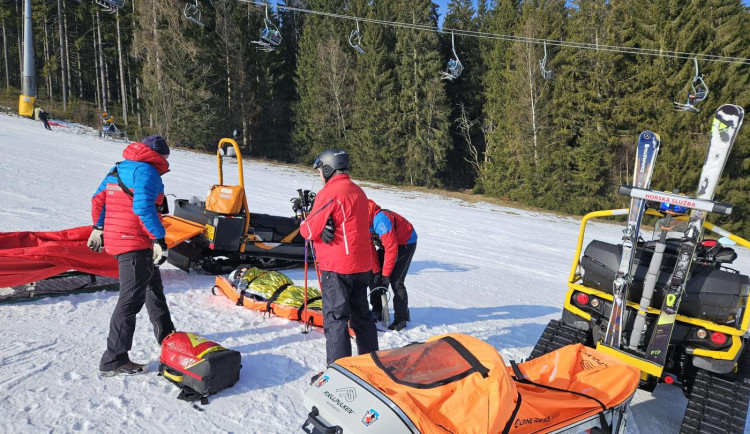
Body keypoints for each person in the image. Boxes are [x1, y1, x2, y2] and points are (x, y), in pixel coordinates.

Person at [88, 135, 175, 376]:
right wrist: (158, 239)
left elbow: (98, 199)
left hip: (120, 239)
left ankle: (167, 337)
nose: (167, 160)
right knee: (129, 302)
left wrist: (98, 227)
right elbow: (143, 208)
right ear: (159, 154)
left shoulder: (119, 167)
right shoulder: (148, 172)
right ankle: (114, 359)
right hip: (134, 242)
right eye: (166, 156)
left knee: (152, 289)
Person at [299, 149, 378, 372]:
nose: (320, 177)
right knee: (362, 317)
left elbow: (308, 230)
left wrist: (311, 226)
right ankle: (371, 366)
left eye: (320, 171)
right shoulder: (358, 191)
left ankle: (338, 373)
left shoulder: (330, 192)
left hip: (337, 267)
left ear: (328, 168)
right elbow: (348, 224)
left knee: (336, 320)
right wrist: (325, 227)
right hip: (361, 264)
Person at [367, 200, 417, 331]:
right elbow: (369, 248)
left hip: (405, 242)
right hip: (389, 244)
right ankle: (377, 310)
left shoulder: (380, 220)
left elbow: (392, 248)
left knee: (396, 281)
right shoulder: (360, 221)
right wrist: (377, 272)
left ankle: (402, 318)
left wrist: (385, 274)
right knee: (373, 276)